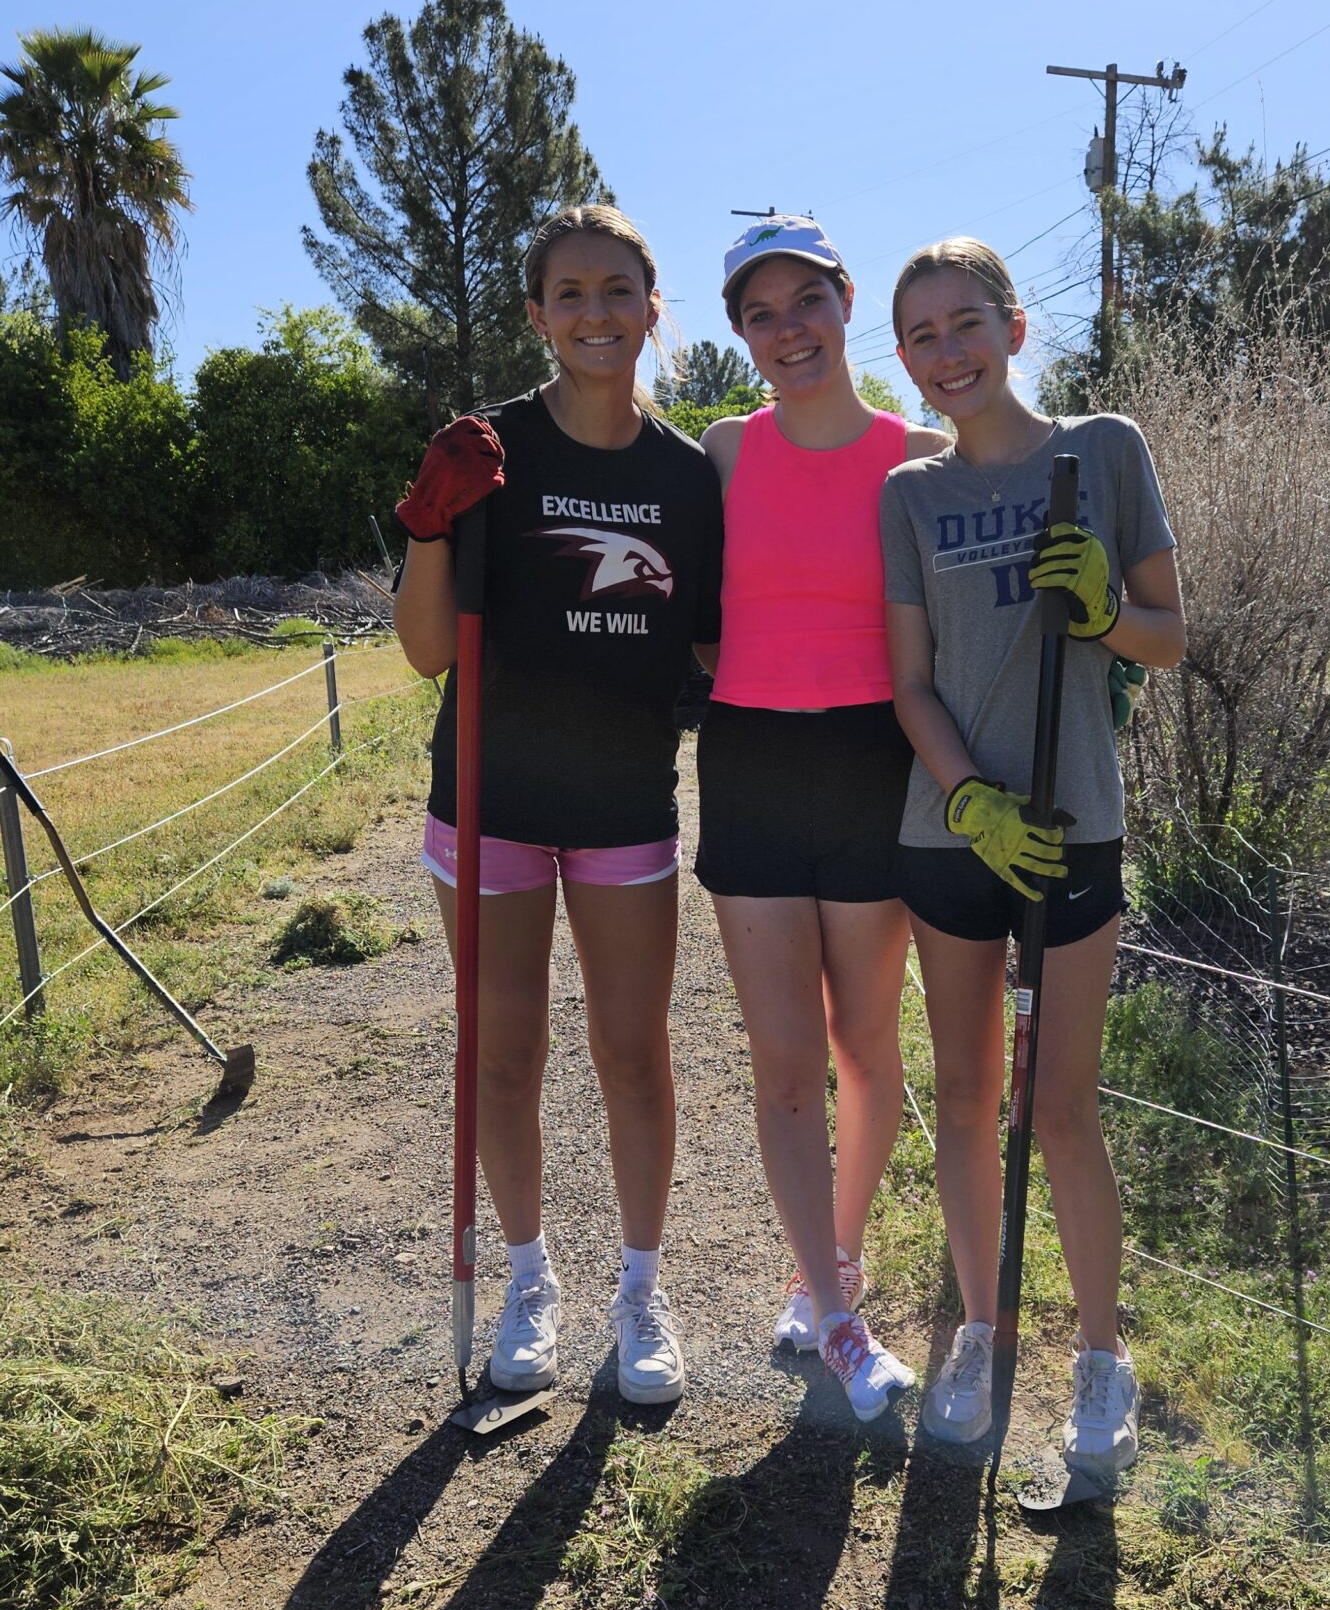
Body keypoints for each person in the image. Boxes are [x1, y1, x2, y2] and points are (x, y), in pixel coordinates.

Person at [392, 205, 723, 1408]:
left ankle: (642, 1288)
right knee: (505, 1052)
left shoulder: (689, 477)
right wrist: (429, 524)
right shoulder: (489, 451)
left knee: (634, 1052)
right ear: (538, 314)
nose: (596, 313)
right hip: (487, 805)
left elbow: (720, 645)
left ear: (651, 305)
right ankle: (531, 1279)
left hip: (626, 803)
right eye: (569, 293)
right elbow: (428, 653)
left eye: (618, 290)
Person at [881, 237, 1187, 1469]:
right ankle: (980, 1333)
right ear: (902, 359)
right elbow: (909, 684)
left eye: (966, 324)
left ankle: (1102, 1362)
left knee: (1060, 1106)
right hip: (955, 833)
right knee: (964, 1098)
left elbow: (1170, 637)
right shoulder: (908, 494)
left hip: (1075, 825)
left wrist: (1107, 610)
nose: (947, 353)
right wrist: (970, 804)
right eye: (921, 337)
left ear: (1013, 326)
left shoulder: (1101, 451)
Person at [695, 217, 948, 1421]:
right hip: (748, 758)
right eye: (760, 312)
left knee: (864, 1051)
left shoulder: (924, 454)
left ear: (848, 303)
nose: (786, 329)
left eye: (806, 301)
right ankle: (842, 1327)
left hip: (872, 762)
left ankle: (825, 1265)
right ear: (739, 333)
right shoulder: (725, 452)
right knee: (787, 1057)